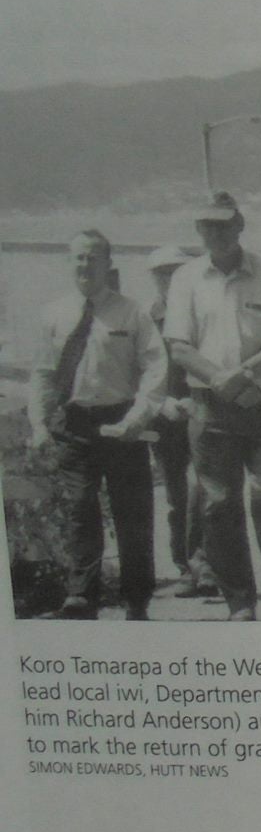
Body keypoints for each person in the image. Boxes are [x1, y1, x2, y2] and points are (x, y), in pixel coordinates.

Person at [162, 192, 261, 621]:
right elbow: (178, 346)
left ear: (240, 224)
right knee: (218, 504)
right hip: (211, 407)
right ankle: (240, 601)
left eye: (224, 224)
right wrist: (218, 378)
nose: (216, 232)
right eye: (207, 225)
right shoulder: (185, 279)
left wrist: (244, 374)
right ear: (198, 230)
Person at [29, 230, 168, 619]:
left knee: (133, 515)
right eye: (78, 258)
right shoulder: (54, 314)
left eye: (93, 258)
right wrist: (39, 424)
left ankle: (137, 600)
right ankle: (81, 597)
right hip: (75, 424)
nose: (85, 265)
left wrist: (136, 418)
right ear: (69, 264)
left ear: (109, 264)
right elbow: (42, 375)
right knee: (79, 508)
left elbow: (155, 369)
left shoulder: (131, 313)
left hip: (123, 421)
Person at [144, 242, 211, 598]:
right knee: (175, 496)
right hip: (163, 416)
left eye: (176, 273)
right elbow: (140, 368)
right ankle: (185, 566)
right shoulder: (145, 318)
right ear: (154, 278)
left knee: (206, 490)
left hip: (201, 408)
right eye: (163, 274)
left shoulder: (201, 313)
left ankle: (206, 563)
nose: (169, 281)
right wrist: (162, 402)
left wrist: (194, 397)